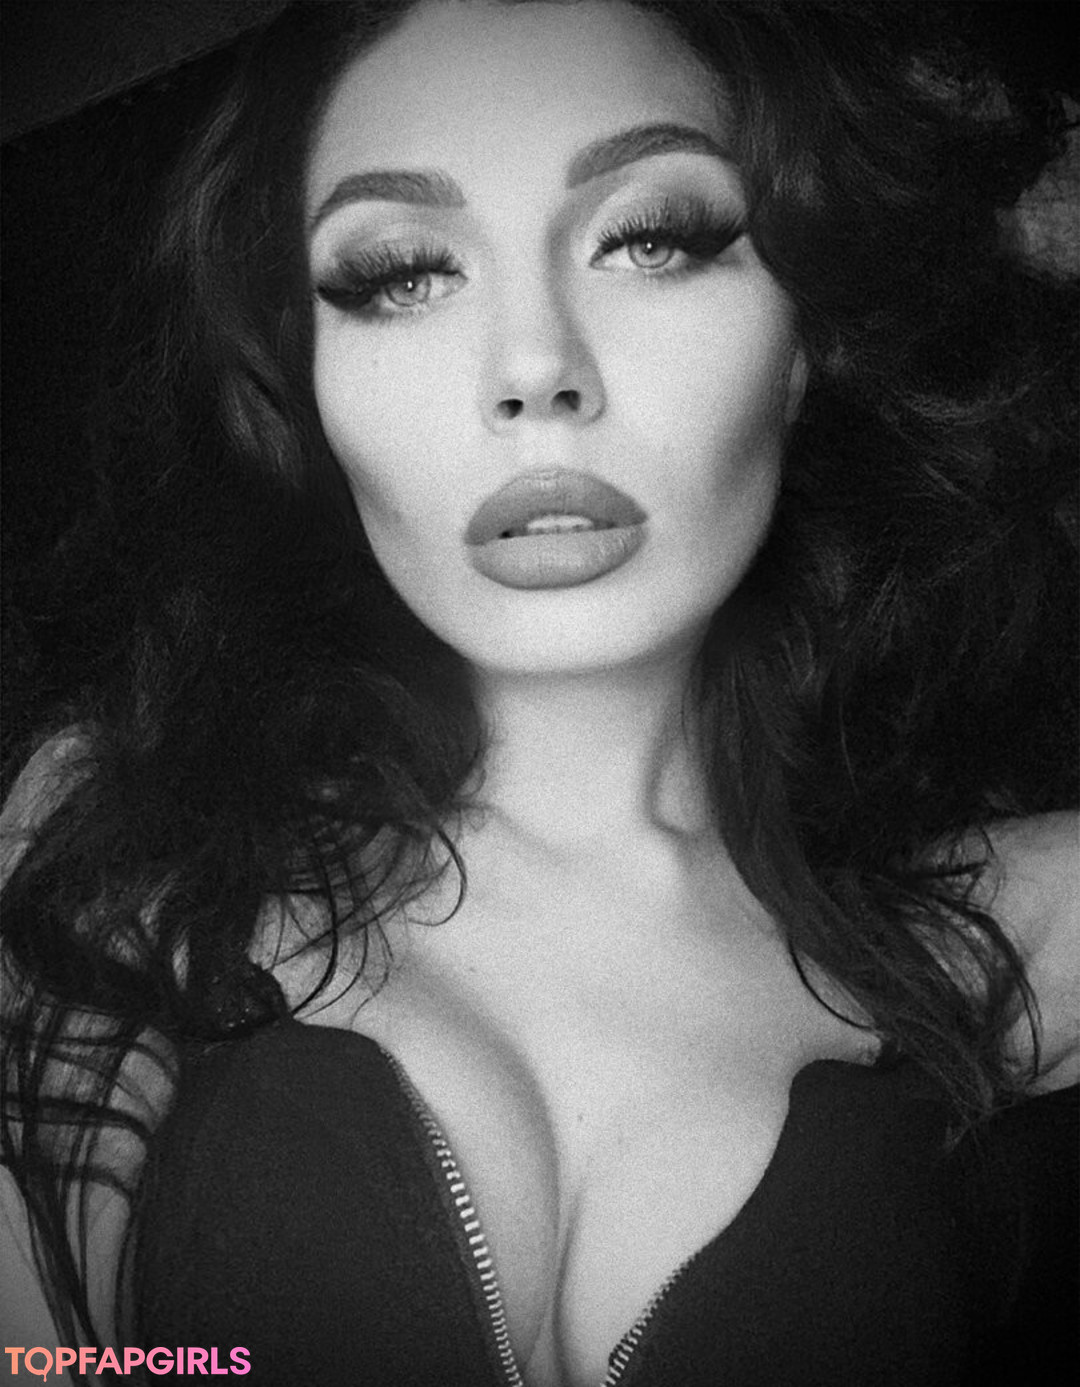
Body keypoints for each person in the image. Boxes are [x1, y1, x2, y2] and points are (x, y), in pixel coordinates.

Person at [1, 1, 1077, 1383]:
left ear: (808, 341)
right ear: (306, 383)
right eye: (400, 273)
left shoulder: (983, 943)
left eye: (653, 238)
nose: (533, 370)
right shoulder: (133, 839)